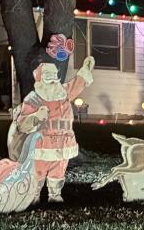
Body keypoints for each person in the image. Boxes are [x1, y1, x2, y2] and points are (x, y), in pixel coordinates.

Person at [8, 58, 94, 202]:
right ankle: (33, 196)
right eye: (48, 77)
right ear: (40, 78)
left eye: (54, 76)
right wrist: (36, 116)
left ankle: (55, 195)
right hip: (43, 144)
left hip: (64, 143)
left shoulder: (64, 93)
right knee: (39, 171)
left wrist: (86, 69)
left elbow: (77, 84)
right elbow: (22, 124)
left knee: (58, 170)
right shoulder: (34, 98)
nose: (53, 80)